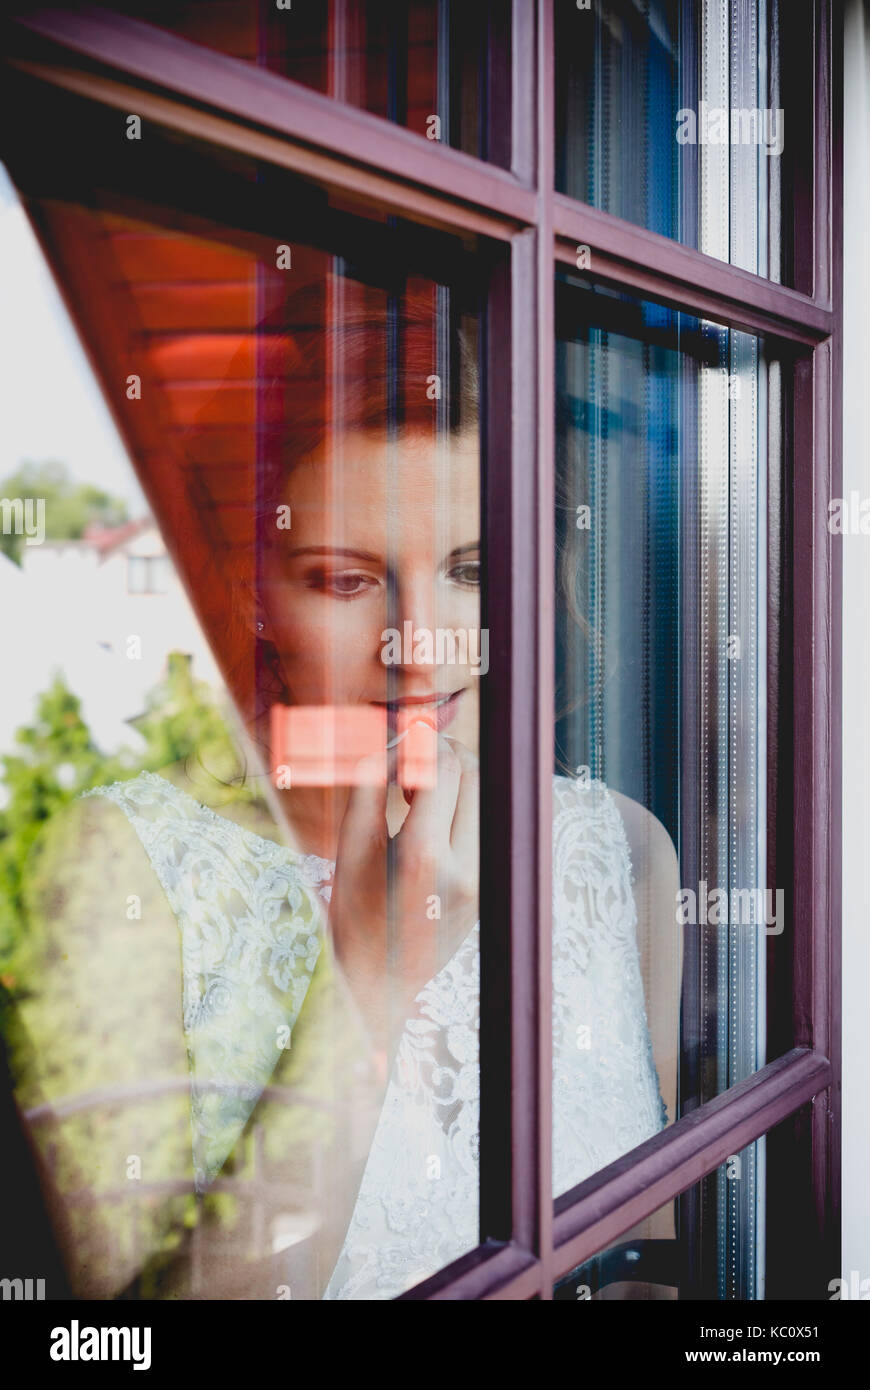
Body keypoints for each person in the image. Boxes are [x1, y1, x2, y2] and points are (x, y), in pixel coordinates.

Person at [8, 283, 680, 1301]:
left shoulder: (617, 849)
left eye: (472, 568)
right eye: (344, 579)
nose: (420, 647)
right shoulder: (115, 869)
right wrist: (369, 980)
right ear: (250, 589)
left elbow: (646, 1273)